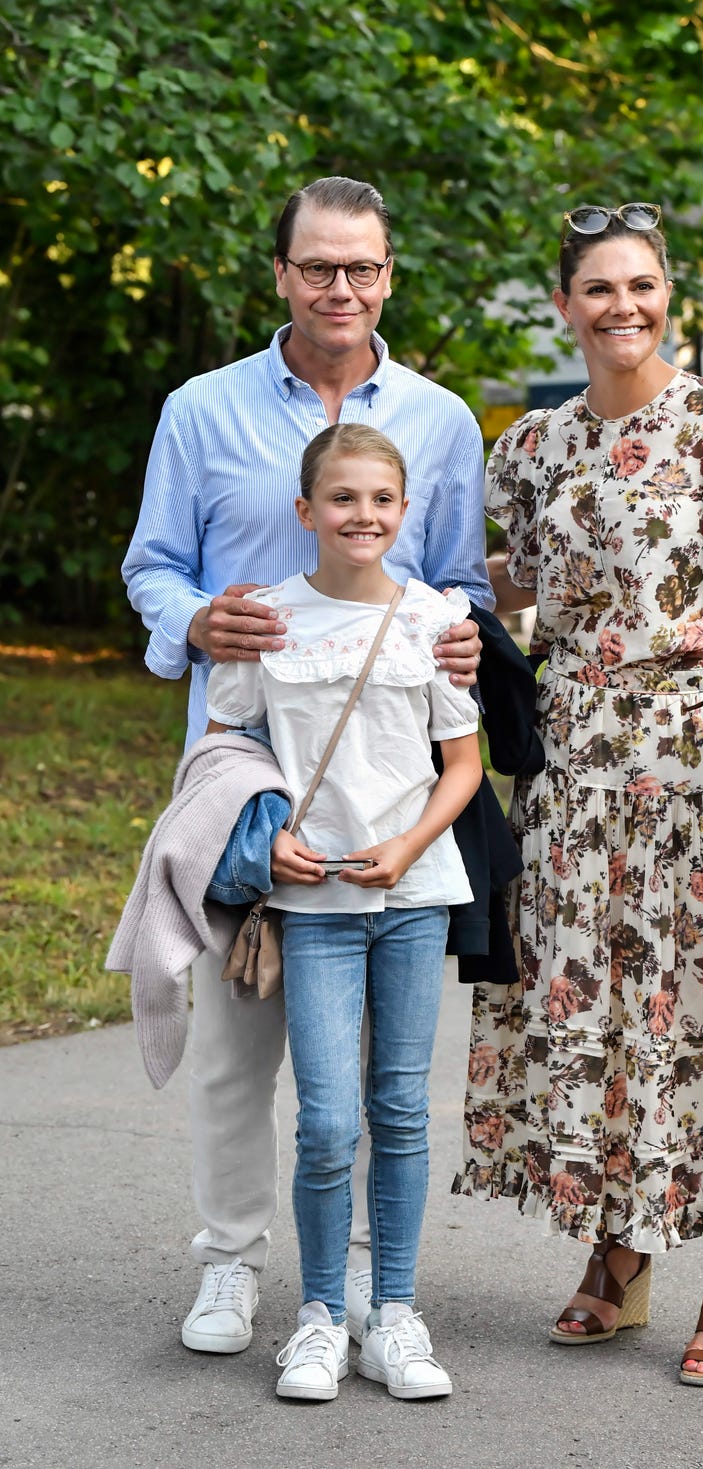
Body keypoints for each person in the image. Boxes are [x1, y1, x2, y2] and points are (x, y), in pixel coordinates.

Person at [454, 202, 703, 1385]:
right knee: (596, 1007)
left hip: (696, 762)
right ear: (563, 305)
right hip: (571, 767)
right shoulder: (528, 448)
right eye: (599, 288)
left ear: (669, 296)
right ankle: (617, 1252)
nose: (625, 307)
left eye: (643, 285)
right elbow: (498, 585)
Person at [122, 176, 492, 1354]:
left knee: (382, 1072)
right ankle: (230, 1262)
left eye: (363, 267)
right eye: (319, 266)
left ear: (388, 275)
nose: (342, 287)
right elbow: (151, 566)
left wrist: (471, 633)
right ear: (280, 273)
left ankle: (376, 1286)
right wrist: (192, 623)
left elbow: (459, 588)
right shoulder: (202, 409)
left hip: (385, 791)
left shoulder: (438, 421)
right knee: (240, 1050)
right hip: (246, 781)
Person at [206, 423, 483, 1400]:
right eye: (342, 498)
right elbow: (225, 751)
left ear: (402, 512)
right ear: (305, 510)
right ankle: (319, 1316)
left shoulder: (433, 619)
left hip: (412, 898)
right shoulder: (264, 620)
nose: (361, 515)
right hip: (310, 902)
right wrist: (261, 829)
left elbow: (464, 764)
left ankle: (393, 1315)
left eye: (380, 500)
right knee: (326, 1119)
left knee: (398, 1108)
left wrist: (408, 846)